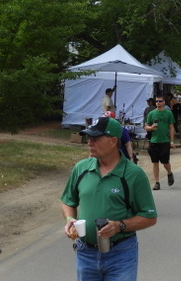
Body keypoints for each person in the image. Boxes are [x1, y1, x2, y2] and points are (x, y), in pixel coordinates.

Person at [61, 116, 157, 281]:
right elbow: (68, 201)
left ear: (113, 141)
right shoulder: (81, 168)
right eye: (89, 138)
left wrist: (119, 226)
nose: (90, 142)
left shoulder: (134, 174)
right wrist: (70, 218)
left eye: (96, 138)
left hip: (121, 254)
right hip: (85, 253)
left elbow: (149, 217)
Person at [145, 94, 175, 190]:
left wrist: (172, 141)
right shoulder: (151, 114)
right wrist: (151, 128)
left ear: (164, 102)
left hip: (165, 141)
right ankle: (157, 182)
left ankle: (169, 173)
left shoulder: (168, 113)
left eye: (160, 101)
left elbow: (171, 127)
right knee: (155, 162)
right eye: (157, 101)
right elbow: (146, 126)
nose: (158, 103)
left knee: (165, 162)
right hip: (154, 141)